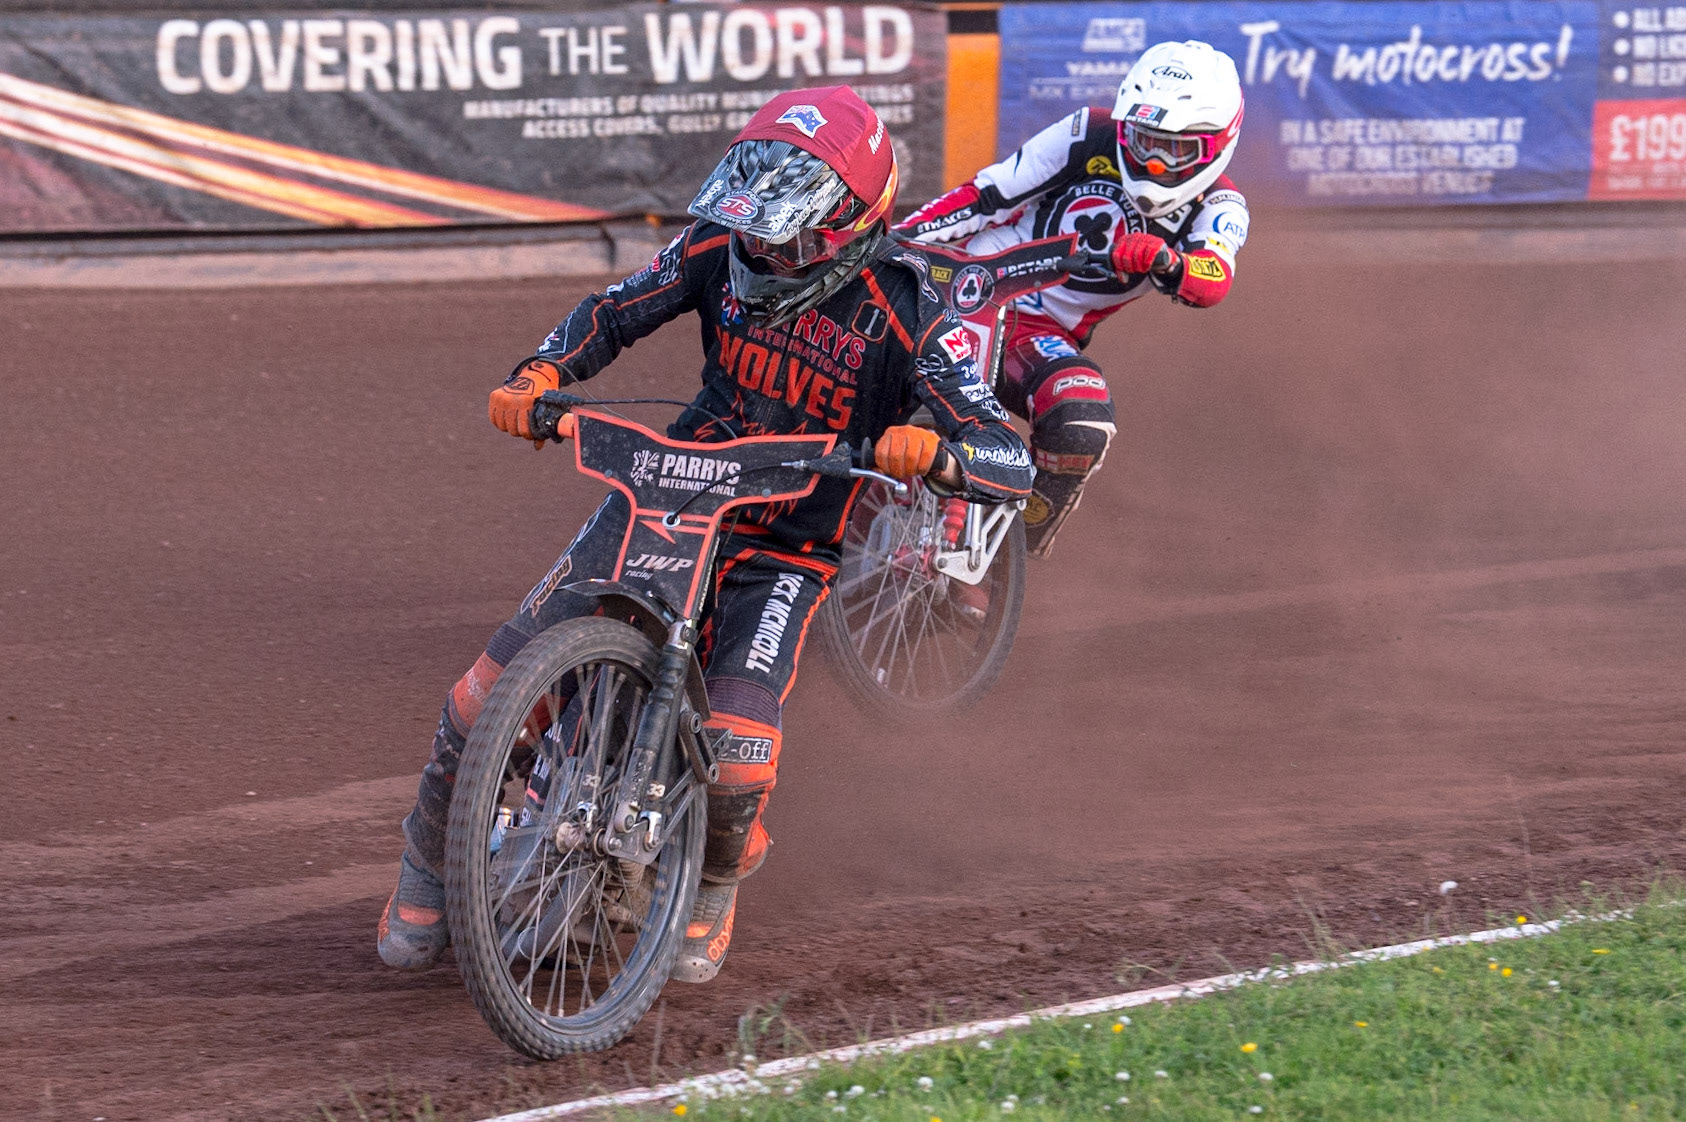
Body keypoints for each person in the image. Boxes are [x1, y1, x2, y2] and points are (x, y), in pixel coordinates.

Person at [376, 85, 1033, 982]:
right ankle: (425, 864)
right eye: (754, 218)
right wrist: (540, 374)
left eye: (784, 232)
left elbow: (1006, 452)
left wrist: (940, 454)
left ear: (847, 227)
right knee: (482, 696)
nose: (760, 245)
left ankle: (716, 878)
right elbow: (615, 309)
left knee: (735, 747)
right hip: (667, 493)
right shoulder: (719, 246)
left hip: (785, 543)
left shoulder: (914, 308)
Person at [897, 40, 1248, 558]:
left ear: (1217, 146)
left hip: (1037, 335)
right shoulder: (1090, 133)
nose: (1152, 162)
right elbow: (988, 195)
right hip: (965, 289)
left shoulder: (1221, 205)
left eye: (1175, 150)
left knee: (1082, 420)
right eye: (1143, 141)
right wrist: (898, 241)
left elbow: (1213, 276)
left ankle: (1003, 557)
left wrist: (1169, 263)